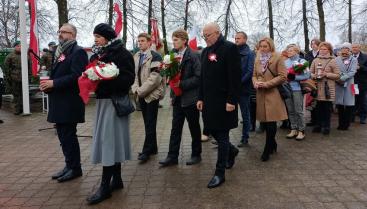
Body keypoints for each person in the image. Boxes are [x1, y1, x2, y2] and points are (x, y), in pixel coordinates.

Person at [86, 23, 135, 205]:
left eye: (98, 36)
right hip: (103, 102)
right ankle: (118, 180)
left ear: (107, 37)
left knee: (109, 143)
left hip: (115, 103)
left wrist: (106, 78)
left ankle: (105, 187)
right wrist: (93, 76)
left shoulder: (122, 54)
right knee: (111, 142)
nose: (95, 39)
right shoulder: (100, 53)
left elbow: (128, 78)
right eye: (95, 36)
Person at [40, 23, 88, 182]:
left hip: (70, 102)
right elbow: (59, 73)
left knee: (69, 136)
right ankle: (69, 165)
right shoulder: (60, 51)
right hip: (59, 101)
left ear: (73, 35)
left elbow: (77, 76)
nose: (60, 34)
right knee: (62, 136)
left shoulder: (78, 52)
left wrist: (54, 83)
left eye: (64, 32)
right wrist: (48, 85)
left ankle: (75, 169)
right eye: (59, 31)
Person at [197, 22, 240, 188]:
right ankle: (232, 150)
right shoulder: (205, 51)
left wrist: (232, 101)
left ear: (217, 33)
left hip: (224, 102)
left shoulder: (229, 48)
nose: (205, 38)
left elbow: (234, 78)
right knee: (212, 131)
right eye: (204, 36)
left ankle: (219, 172)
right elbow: (203, 77)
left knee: (222, 136)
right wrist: (200, 97)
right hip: (208, 101)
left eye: (207, 35)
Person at [159, 29, 202, 167]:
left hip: (191, 98)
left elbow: (199, 77)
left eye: (176, 39)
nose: (174, 42)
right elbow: (172, 78)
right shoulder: (172, 55)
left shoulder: (194, 55)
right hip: (178, 98)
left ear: (184, 40)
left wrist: (182, 84)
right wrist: (172, 95)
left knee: (194, 128)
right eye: (173, 39)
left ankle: (196, 154)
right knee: (175, 128)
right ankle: (172, 156)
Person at [252, 37, 288, 162]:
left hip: (273, 93)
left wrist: (267, 84)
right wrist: (255, 82)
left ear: (270, 46)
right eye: (261, 46)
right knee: (265, 122)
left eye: (265, 46)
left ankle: (267, 149)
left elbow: (283, 76)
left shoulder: (277, 57)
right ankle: (273, 144)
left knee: (271, 121)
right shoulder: (257, 58)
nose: (262, 48)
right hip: (261, 94)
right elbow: (254, 75)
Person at [131, 33, 164, 163]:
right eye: (138, 41)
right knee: (147, 122)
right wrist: (135, 89)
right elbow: (133, 75)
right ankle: (153, 147)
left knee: (150, 123)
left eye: (143, 41)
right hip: (140, 93)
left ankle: (146, 151)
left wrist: (140, 91)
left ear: (150, 42)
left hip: (152, 95)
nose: (140, 43)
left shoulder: (156, 56)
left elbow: (155, 78)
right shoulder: (136, 56)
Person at [310, 42, 340, 135]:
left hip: (328, 88)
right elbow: (310, 73)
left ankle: (326, 126)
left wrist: (326, 74)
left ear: (329, 50)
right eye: (321, 49)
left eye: (325, 49)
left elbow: (338, 75)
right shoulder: (315, 60)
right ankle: (318, 125)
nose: (322, 51)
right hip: (317, 87)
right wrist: (314, 75)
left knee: (327, 109)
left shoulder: (333, 60)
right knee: (318, 108)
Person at [284, 45, 310, 141]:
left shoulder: (302, 61)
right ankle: (293, 128)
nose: (289, 52)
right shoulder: (285, 62)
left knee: (298, 110)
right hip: (286, 88)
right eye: (288, 50)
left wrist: (294, 77)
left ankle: (301, 130)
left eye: (291, 50)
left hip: (297, 89)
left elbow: (307, 75)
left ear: (296, 51)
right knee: (290, 110)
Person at [234, 31, 255, 147]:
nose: (236, 40)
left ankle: (245, 138)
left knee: (245, 114)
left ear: (245, 39)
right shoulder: (232, 51)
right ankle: (223, 138)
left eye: (239, 38)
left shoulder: (250, 53)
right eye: (235, 38)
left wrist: (238, 82)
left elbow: (249, 71)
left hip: (243, 89)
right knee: (229, 113)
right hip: (232, 88)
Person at [335, 43, 357, 130]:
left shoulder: (354, 59)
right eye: (343, 48)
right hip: (339, 82)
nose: (344, 50)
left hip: (350, 83)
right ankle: (340, 124)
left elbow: (353, 71)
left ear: (349, 50)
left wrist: (343, 77)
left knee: (349, 104)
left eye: (346, 48)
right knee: (340, 104)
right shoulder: (336, 59)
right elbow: (335, 69)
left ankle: (346, 124)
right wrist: (339, 77)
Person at [3, 41, 30, 115]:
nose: (19, 47)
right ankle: (16, 110)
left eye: (20, 46)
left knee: (24, 94)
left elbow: (29, 67)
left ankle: (23, 108)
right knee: (16, 94)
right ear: (14, 47)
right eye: (18, 46)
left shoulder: (26, 56)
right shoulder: (10, 56)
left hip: (24, 78)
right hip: (14, 78)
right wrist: (9, 78)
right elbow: (6, 68)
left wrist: (29, 77)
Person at [352, 43, 367, 124]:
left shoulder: (365, 57)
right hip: (353, 83)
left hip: (362, 83)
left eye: (356, 47)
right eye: (353, 47)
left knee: (362, 101)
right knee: (354, 100)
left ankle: (363, 117)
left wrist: (360, 67)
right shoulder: (349, 57)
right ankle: (352, 116)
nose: (354, 48)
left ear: (359, 48)